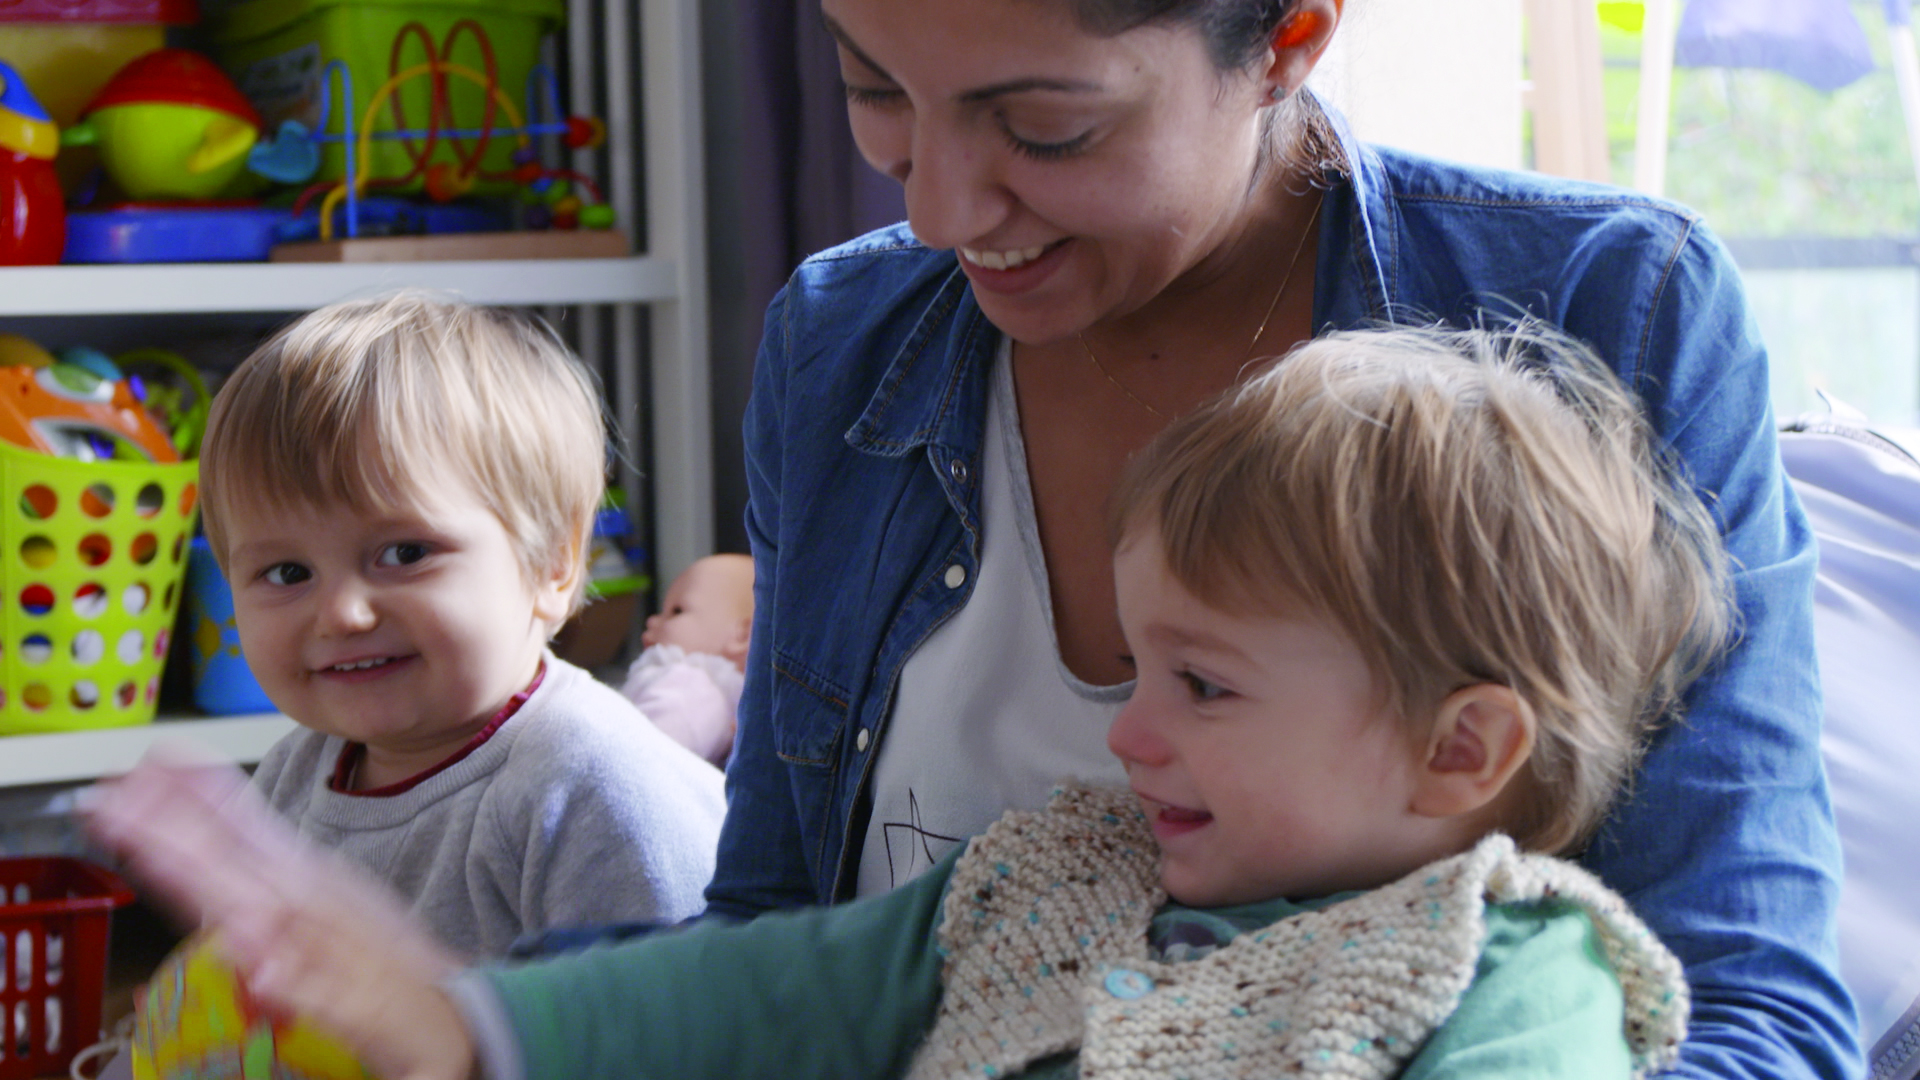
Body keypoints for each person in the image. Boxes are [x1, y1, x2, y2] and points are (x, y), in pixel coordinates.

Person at [709, 0, 1858, 1075]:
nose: (937, 212)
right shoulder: (840, 338)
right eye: (877, 92)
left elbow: (1750, 1015)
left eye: (1044, 128)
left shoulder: (1608, 307)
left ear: (1290, 35)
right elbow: (766, 923)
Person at [97, 325, 1725, 1080]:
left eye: (1202, 688)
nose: (1129, 730)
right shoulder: (1052, 870)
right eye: (1140, 672)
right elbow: (756, 994)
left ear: (1463, 750)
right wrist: (462, 1024)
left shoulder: (1519, 969)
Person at [196, 290, 727, 958]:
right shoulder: (294, 773)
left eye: (405, 554)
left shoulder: (594, 793)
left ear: (553, 566)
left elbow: (669, 1034)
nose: (341, 614)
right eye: (287, 573)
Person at [621, 553, 754, 765]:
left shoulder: (691, 688)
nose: (653, 620)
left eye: (676, 611)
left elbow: (635, 762)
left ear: (742, 636)